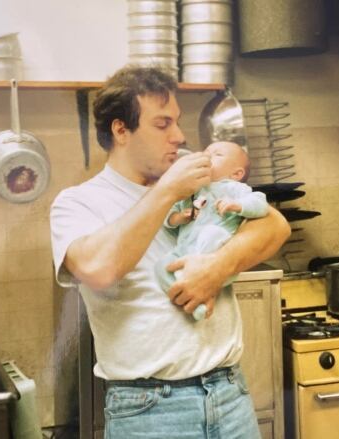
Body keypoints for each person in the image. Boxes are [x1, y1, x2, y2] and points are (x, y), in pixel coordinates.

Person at [49, 66, 290, 439]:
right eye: (162, 125)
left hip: (229, 393)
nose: (178, 136)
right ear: (121, 130)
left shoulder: (199, 181)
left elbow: (274, 225)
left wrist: (217, 267)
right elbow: (97, 269)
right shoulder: (79, 203)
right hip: (149, 408)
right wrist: (165, 192)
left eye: (177, 122)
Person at [156, 141, 268, 321]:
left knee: (211, 233)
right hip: (186, 250)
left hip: (214, 252)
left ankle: (200, 287)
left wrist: (238, 206)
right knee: (161, 266)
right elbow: (169, 216)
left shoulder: (234, 188)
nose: (207, 155)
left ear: (236, 173)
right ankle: (194, 301)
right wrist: (178, 217)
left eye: (217, 154)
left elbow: (261, 205)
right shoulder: (192, 188)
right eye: (206, 151)